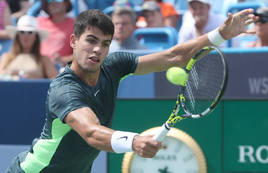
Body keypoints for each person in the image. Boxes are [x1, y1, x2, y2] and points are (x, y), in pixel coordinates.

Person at [5, 8, 257, 173]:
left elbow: (174, 55)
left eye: (105, 44)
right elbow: (92, 133)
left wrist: (220, 34)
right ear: (73, 41)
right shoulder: (64, 89)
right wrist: (134, 141)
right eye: (90, 40)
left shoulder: (113, 65)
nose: (97, 50)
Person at [0, 15, 58, 80]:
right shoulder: (6, 57)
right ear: (17, 36)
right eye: (22, 32)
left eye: (30, 32)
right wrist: (12, 77)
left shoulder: (44, 59)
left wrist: (33, 80)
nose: (26, 36)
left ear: (36, 37)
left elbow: (55, 80)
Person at [37, 0, 74, 66]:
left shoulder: (76, 25)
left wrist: (62, 60)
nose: (53, 3)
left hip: (62, 70)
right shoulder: (37, 22)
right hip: (38, 67)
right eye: (49, 0)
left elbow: (82, 54)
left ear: (66, 3)